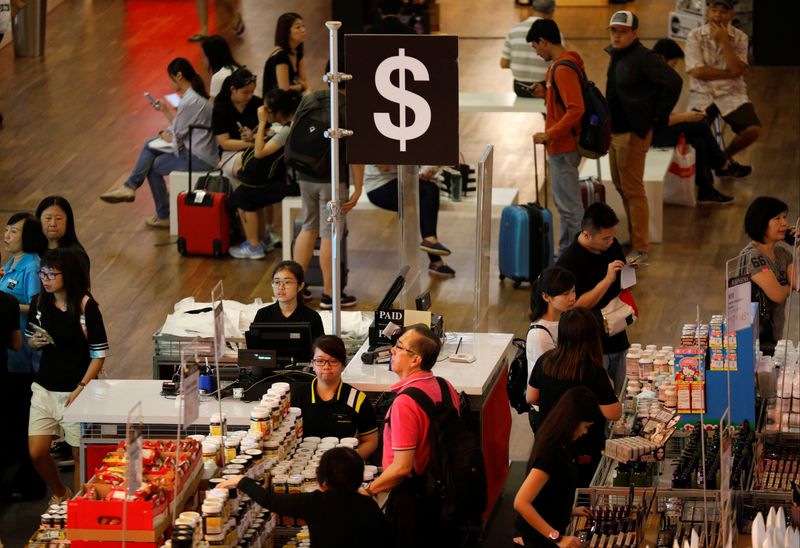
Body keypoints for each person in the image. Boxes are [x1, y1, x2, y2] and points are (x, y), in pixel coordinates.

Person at [366, 324, 460, 547]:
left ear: (416, 359)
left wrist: (369, 491)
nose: (391, 351)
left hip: (413, 500)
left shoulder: (405, 403)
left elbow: (402, 467)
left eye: (399, 346)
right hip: (445, 490)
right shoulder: (445, 386)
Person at [26, 248, 108, 503]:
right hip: (44, 387)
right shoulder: (38, 303)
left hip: (76, 391)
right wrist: (36, 343)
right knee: (37, 452)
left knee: (78, 456)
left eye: (52, 273)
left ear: (68, 275)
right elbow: (30, 341)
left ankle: (77, 508)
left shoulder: (86, 307)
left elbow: (99, 355)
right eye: (43, 273)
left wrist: (82, 387)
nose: (45, 278)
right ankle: (61, 494)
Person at [100, 58, 217, 229]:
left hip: (198, 158)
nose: (170, 84)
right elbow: (180, 129)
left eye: (170, 79)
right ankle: (137, 193)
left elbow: (177, 136)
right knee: (151, 159)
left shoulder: (189, 101)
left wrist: (166, 135)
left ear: (178, 76)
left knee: (151, 157)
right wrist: (166, 113)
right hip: (200, 153)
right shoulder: (196, 97)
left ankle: (142, 197)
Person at [605, 10, 682, 264]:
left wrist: (657, 117)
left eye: (622, 31)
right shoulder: (618, 55)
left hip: (632, 133)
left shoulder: (644, 58)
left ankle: (640, 246)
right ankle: (634, 239)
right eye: (613, 30)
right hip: (616, 132)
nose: (617, 35)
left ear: (634, 33)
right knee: (621, 186)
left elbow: (673, 82)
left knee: (633, 189)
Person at [218, 447, 395, 548]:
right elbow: (388, 536)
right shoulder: (368, 504)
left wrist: (242, 481)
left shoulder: (314, 502)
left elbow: (270, 500)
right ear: (359, 478)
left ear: (323, 479)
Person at [527, 308, 622, 486]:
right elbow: (613, 413)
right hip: (584, 449)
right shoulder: (593, 370)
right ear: (593, 337)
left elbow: (531, 397)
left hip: (549, 443)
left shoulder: (545, 361)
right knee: (581, 495)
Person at [292, 82, 364, 309]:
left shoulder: (311, 99)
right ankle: (330, 295)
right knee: (329, 234)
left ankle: (296, 290)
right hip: (332, 180)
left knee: (308, 227)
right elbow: (356, 153)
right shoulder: (348, 107)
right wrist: (358, 187)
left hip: (305, 174)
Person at [555, 203, 629, 396]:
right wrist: (607, 280)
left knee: (618, 397)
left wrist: (630, 274)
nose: (611, 242)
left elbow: (624, 279)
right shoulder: (567, 263)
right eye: (605, 238)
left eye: (612, 236)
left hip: (618, 336)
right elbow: (573, 307)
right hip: (590, 347)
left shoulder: (611, 246)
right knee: (597, 402)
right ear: (587, 234)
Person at [651, 38, 735, 205]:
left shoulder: (655, 78)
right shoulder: (652, 81)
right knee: (700, 125)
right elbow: (656, 121)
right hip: (649, 136)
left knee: (698, 140)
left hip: (654, 130)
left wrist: (683, 116)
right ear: (662, 58)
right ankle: (721, 164)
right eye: (674, 63)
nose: (674, 68)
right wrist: (685, 117)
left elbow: (660, 113)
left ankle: (706, 189)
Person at [528, 18, 586, 256]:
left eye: (536, 46)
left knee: (570, 208)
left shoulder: (562, 69)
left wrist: (548, 134)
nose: (537, 52)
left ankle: (579, 257)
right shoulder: (565, 65)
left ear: (543, 41)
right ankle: (565, 253)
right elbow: (565, 104)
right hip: (562, 146)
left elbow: (576, 109)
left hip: (563, 147)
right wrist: (546, 93)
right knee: (565, 207)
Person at [513, 386, 599, 547]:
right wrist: (557, 538)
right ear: (572, 421)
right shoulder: (551, 454)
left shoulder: (563, 444)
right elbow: (521, 502)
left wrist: (569, 510)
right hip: (539, 539)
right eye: (585, 426)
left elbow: (549, 493)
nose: (585, 432)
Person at [1, 213, 48, 501]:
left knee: (22, 418)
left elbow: (35, 307)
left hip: (23, 355)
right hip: (8, 350)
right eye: (6, 230)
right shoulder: (10, 264)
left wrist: (6, 308)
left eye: (13, 231)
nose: (7, 235)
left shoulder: (32, 265)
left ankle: (31, 482)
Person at [685, 0, 760, 177]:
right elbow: (697, 71)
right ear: (707, 12)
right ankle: (710, 173)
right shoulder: (694, 35)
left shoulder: (740, 37)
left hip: (731, 93)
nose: (718, 16)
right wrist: (730, 73)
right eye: (714, 10)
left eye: (723, 12)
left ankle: (723, 159)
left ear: (732, 14)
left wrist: (725, 41)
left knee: (752, 130)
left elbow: (740, 69)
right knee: (694, 133)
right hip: (702, 93)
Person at [229, 89, 299, 259]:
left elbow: (260, 153)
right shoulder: (288, 124)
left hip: (290, 183)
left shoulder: (286, 130)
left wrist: (261, 124)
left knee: (242, 196)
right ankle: (262, 239)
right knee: (250, 194)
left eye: (267, 109)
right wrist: (255, 137)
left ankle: (254, 247)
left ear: (278, 112)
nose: (263, 111)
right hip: (285, 178)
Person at [292, 335, 379, 459]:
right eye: (320, 361)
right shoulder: (298, 395)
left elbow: (371, 441)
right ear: (312, 364)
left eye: (333, 361)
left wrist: (351, 459)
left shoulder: (357, 399)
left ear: (343, 364)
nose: (326, 366)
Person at [364, 164, 455, 277]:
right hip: (379, 187)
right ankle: (432, 250)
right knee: (427, 192)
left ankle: (434, 256)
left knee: (429, 191)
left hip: (398, 180)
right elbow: (384, 166)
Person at [740, 197, 797, 355]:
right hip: (752, 342)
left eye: (784, 217)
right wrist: (789, 287)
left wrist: (799, 244)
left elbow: (797, 282)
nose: (784, 223)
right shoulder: (753, 256)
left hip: (772, 339)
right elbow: (778, 295)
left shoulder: (782, 254)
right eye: (777, 218)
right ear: (761, 223)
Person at [524, 267, 576, 431]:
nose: (572, 298)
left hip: (563, 403)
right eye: (566, 294)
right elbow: (549, 379)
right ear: (546, 297)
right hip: (549, 411)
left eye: (573, 291)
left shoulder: (564, 319)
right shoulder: (540, 335)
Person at [252, 260, 324, 342]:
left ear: (300, 286)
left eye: (287, 282)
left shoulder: (312, 317)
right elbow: (255, 349)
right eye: (277, 282)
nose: (281, 287)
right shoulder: (263, 315)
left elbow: (320, 350)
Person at [212, 67, 260, 181]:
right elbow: (225, 143)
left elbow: (268, 130)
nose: (249, 96)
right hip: (231, 154)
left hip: (256, 149)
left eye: (252, 92)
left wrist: (253, 136)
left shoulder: (257, 103)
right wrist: (253, 144)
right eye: (245, 92)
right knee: (248, 169)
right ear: (233, 89)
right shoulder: (221, 108)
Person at [501, 0, 557, 98]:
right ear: (552, 12)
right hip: (544, 86)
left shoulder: (514, 30)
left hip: (520, 87)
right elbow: (558, 60)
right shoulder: (554, 32)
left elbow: (503, 64)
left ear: (531, 9)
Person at [35, 196, 91, 285]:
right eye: (48, 218)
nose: (53, 224)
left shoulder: (76, 255)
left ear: (68, 222)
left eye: (59, 218)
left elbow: (81, 290)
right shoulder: (31, 251)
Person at [262, 13, 307, 97]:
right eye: (298, 27)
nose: (303, 30)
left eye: (303, 26)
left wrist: (307, 89)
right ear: (287, 32)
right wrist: (302, 86)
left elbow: (304, 80)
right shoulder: (281, 55)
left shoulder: (298, 51)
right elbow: (284, 89)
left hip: (291, 97)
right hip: (276, 103)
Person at [200, 35, 242, 100]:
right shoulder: (238, 68)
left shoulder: (217, 78)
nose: (203, 59)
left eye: (204, 55)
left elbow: (213, 106)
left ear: (211, 56)